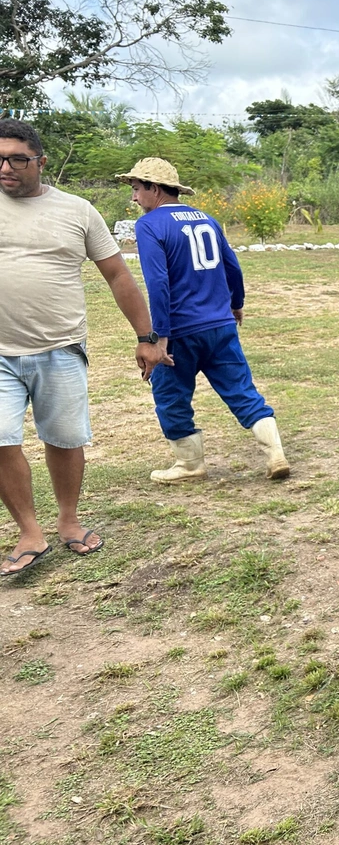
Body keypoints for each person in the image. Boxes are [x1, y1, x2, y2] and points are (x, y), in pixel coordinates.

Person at [0, 119, 168, 576]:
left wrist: (146, 336)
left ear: (40, 161)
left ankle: (69, 521)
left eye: (16, 158)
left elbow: (117, 275)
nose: (6, 168)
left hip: (60, 347)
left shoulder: (76, 210)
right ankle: (29, 531)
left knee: (65, 438)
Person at [118, 158, 288, 483]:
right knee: (241, 390)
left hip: (180, 332)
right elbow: (232, 266)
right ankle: (275, 453)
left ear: (154, 189)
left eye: (137, 190)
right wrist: (236, 304)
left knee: (170, 395)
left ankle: (190, 465)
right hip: (220, 325)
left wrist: (160, 337)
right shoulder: (207, 219)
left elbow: (157, 284)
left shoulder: (150, 225)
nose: (134, 198)